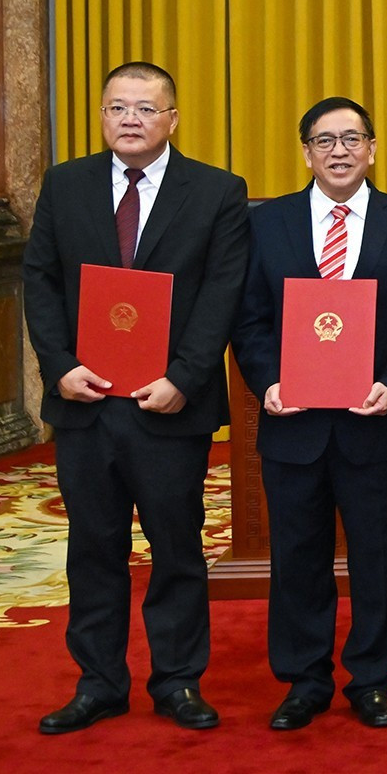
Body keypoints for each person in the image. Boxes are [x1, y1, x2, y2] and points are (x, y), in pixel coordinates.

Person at [22, 61, 250, 734]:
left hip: (168, 406)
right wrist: (58, 366)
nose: (130, 119)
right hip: (84, 403)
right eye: (117, 107)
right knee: (93, 547)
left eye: (145, 109)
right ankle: (99, 682)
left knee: (176, 546)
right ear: (101, 116)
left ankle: (178, 682)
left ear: (172, 119)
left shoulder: (216, 192)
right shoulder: (65, 185)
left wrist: (185, 376)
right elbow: (40, 280)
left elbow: (223, 293)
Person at [230, 97, 387, 730]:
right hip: (294, 422)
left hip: (377, 421)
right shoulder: (268, 223)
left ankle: (372, 677)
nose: (339, 151)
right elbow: (250, 318)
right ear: (306, 153)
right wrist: (266, 381)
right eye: (324, 140)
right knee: (297, 555)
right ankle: (304, 678)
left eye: (351, 138)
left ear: (373, 149)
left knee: (379, 558)